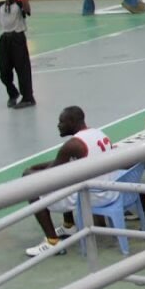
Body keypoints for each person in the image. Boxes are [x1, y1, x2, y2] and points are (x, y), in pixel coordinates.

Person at [22, 106, 116, 258]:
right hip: (108, 190)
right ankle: (69, 226)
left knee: (32, 187)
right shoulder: (97, 133)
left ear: (72, 122)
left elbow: (51, 173)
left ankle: (52, 242)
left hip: (91, 196)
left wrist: (28, 173)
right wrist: (38, 166)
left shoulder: (73, 145)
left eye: (61, 122)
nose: (58, 125)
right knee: (68, 177)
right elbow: (63, 162)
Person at [0, 0, 34, 109]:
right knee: (4, 72)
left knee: (22, 70)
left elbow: (27, 11)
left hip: (17, 39)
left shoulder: (19, 4)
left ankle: (28, 98)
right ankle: (13, 93)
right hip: (4, 40)